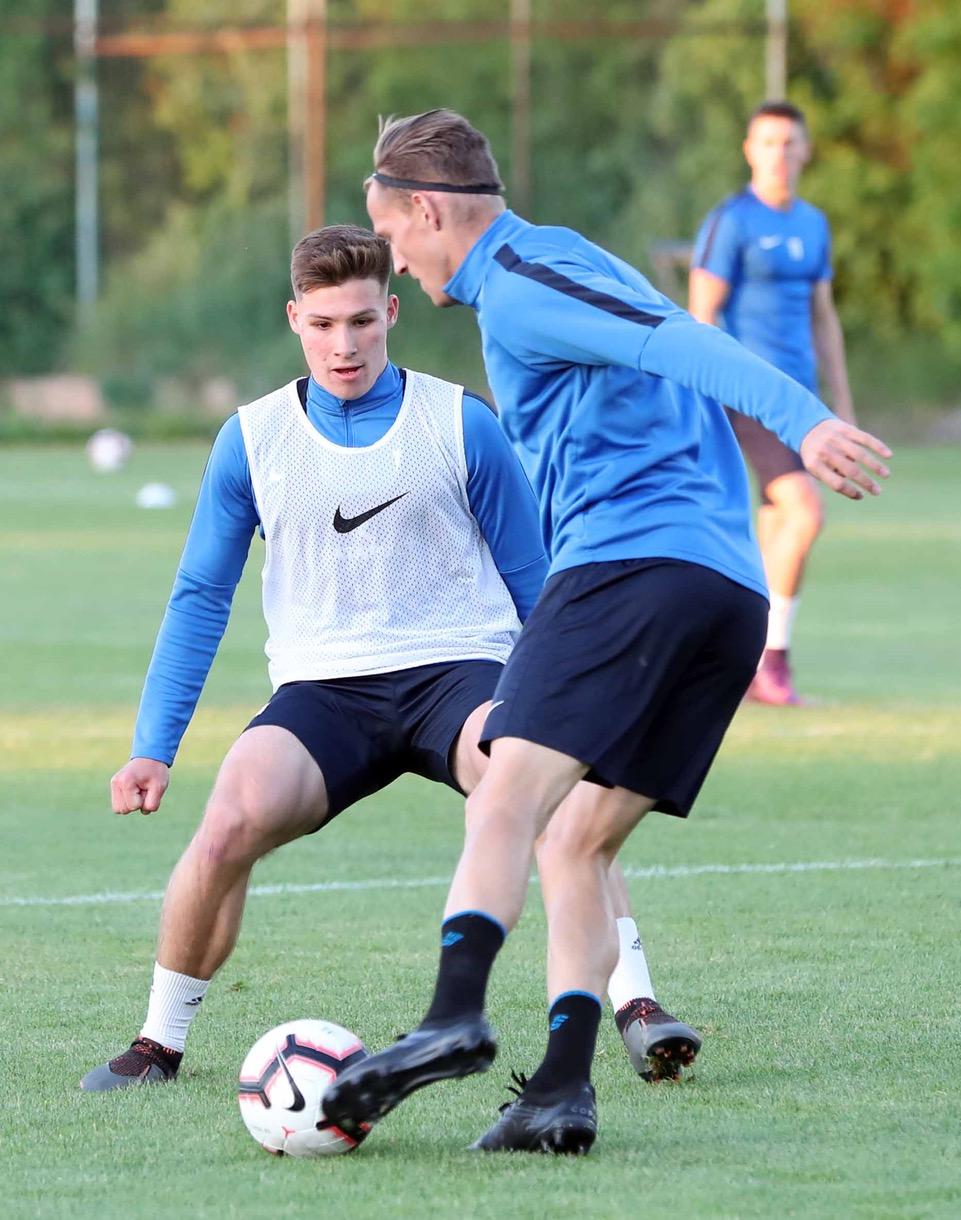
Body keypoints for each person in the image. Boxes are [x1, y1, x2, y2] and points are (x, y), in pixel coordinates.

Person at [320, 110, 891, 1154]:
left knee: (504, 794)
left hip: (635, 567)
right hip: (721, 594)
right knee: (574, 839)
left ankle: (453, 1014)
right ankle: (560, 1093)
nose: (393, 259)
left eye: (392, 233)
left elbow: (684, 341)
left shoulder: (522, 280)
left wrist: (803, 421)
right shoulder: (558, 261)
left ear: (428, 210)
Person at [80, 224, 697, 1093]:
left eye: (362, 322)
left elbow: (537, 585)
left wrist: (575, 714)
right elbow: (199, 598)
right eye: (324, 324)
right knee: (226, 824)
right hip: (323, 693)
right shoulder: (250, 440)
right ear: (294, 319)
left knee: (546, 797)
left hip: (460, 672)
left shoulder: (461, 423)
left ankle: (637, 1005)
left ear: (392, 314)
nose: (345, 345)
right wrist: (153, 746)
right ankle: (158, 1043)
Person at [689, 101, 858, 705]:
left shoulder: (813, 224)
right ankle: (772, 660)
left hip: (800, 401)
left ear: (805, 150)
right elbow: (700, 316)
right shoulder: (731, 221)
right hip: (747, 398)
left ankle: (738, 664)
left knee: (774, 528)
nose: (779, 154)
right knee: (806, 512)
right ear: (749, 151)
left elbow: (823, 318)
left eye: (789, 143)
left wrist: (842, 405)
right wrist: (703, 399)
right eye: (767, 142)